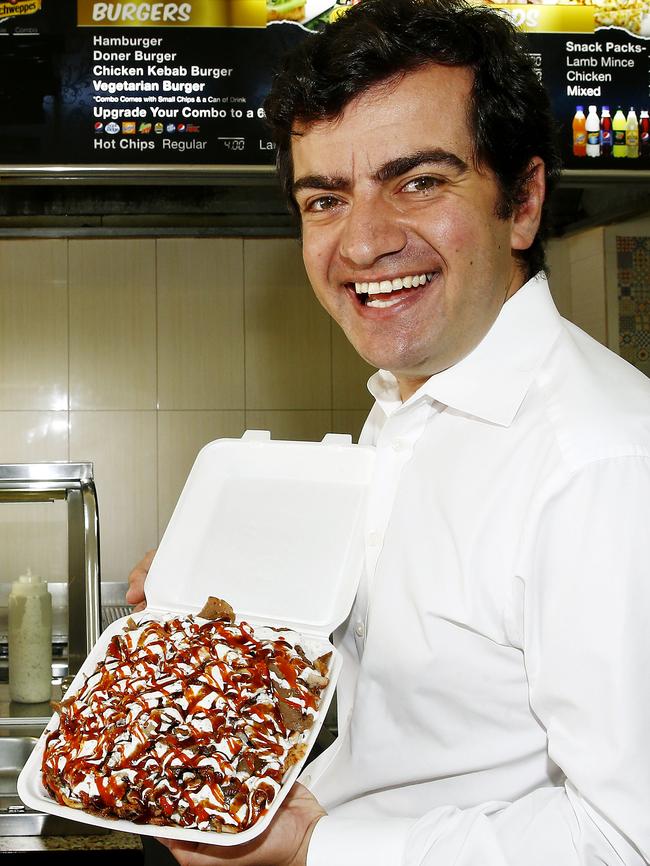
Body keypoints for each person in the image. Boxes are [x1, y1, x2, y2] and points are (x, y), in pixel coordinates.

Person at [127, 0, 650, 864]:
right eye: (326, 198)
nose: (363, 243)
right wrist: (233, 598)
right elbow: (433, 684)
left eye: (419, 182)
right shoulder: (410, 405)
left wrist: (317, 850)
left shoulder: (602, 465)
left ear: (521, 203)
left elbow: (624, 838)